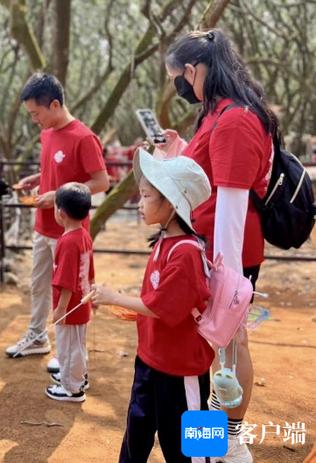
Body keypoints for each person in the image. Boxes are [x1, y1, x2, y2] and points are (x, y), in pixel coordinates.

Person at [161, 29, 277, 463]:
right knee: (212, 344)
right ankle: (210, 441)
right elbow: (200, 175)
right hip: (209, 249)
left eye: (180, 78)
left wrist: (222, 276)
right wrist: (176, 150)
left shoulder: (236, 119)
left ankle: (230, 439)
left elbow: (231, 201)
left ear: (193, 70)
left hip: (227, 254)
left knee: (231, 341)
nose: (181, 87)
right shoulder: (217, 113)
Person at [91, 149, 213, 462]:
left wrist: (113, 297)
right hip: (151, 357)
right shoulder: (165, 242)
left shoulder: (186, 253)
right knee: (137, 433)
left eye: (146, 196)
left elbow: (161, 306)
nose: (140, 204)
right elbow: (157, 301)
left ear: (171, 204)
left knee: (194, 448)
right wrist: (135, 307)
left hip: (182, 366)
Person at [5, 73, 109, 375]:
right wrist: (36, 179)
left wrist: (60, 195)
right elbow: (53, 168)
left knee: (73, 291)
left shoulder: (84, 137)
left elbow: (101, 182)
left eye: (36, 113)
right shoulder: (47, 133)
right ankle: (37, 337)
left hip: (71, 232)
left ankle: (72, 357)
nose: (34, 119)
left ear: (54, 104)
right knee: (38, 286)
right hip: (43, 225)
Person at [45, 182, 94, 402]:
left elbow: (66, 281)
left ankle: (72, 388)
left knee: (67, 349)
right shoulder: (83, 235)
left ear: (61, 213)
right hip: (82, 303)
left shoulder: (67, 242)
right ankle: (78, 378)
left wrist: (60, 310)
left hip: (70, 308)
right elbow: (89, 269)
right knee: (78, 346)